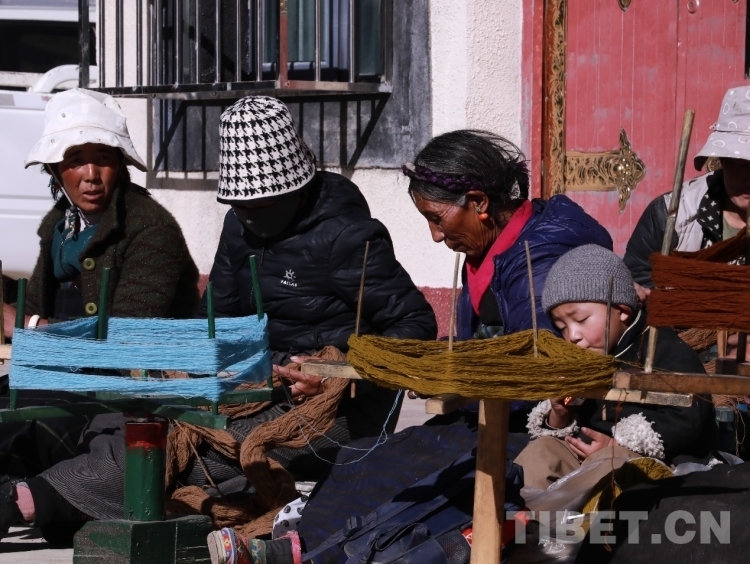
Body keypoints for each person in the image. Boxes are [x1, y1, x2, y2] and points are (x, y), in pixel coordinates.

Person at [0, 96, 437, 539]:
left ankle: (28, 502)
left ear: (296, 191)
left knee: (208, 449)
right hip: (258, 382)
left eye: (265, 206)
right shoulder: (238, 227)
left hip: (337, 406)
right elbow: (222, 319)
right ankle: (63, 505)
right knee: (138, 418)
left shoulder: (348, 237)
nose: (253, 218)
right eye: (244, 207)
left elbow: (416, 328)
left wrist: (333, 372)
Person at [0, 89, 198, 509]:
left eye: (103, 159)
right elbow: (33, 304)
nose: (90, 174)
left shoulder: (151, 230)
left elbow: (123, 341)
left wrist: (27, 326)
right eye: (75, 160)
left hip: (126, 387)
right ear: (55, 169)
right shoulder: (60, 227)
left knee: (43, 426)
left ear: (120, 165)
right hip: (65, 375)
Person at [403, 129, 612, 425]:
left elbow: (539, 369)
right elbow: (491, 339)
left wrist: (454, 372)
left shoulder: (539, 259)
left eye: (437, 219)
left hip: (532, 424)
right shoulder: (489, 252)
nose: (436, 235)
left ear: (479, 202)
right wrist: (442, 356)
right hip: (494, 410)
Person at [514, 244, 717, 491]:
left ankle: (588, 515)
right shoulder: (584, 356)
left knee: (607, 466)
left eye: (580, 320)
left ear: (622, 311)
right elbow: (571, 417)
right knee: (539, 454)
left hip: (658, 466)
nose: (572, 335)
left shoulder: (663, 348)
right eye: (562, 327)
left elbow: (689, 416)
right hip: (586, 456)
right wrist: (560, 413)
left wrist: (618, 445)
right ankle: (528, 514)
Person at [624, 85, 750, 292]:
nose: (748, 179)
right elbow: (639, 277)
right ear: (723, 160)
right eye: (741, 165)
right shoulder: (673, 214)